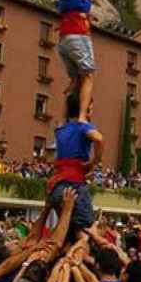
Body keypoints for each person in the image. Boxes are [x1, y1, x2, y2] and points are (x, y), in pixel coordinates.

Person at [56, 0, 104, 122]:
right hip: (78, 35)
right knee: (89, 75)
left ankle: (69, 112)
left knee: (77, 80)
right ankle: (83, 116)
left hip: (63, 40)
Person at [47, 94, 104, 239]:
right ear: (84, 109)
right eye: (90, 107)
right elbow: (99, 139)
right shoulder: (82, 127)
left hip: (56, 189)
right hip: (74, 187)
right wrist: (94, 162)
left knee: (68, 233)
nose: (92, 110)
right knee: (88, 234)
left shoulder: (60, 129)